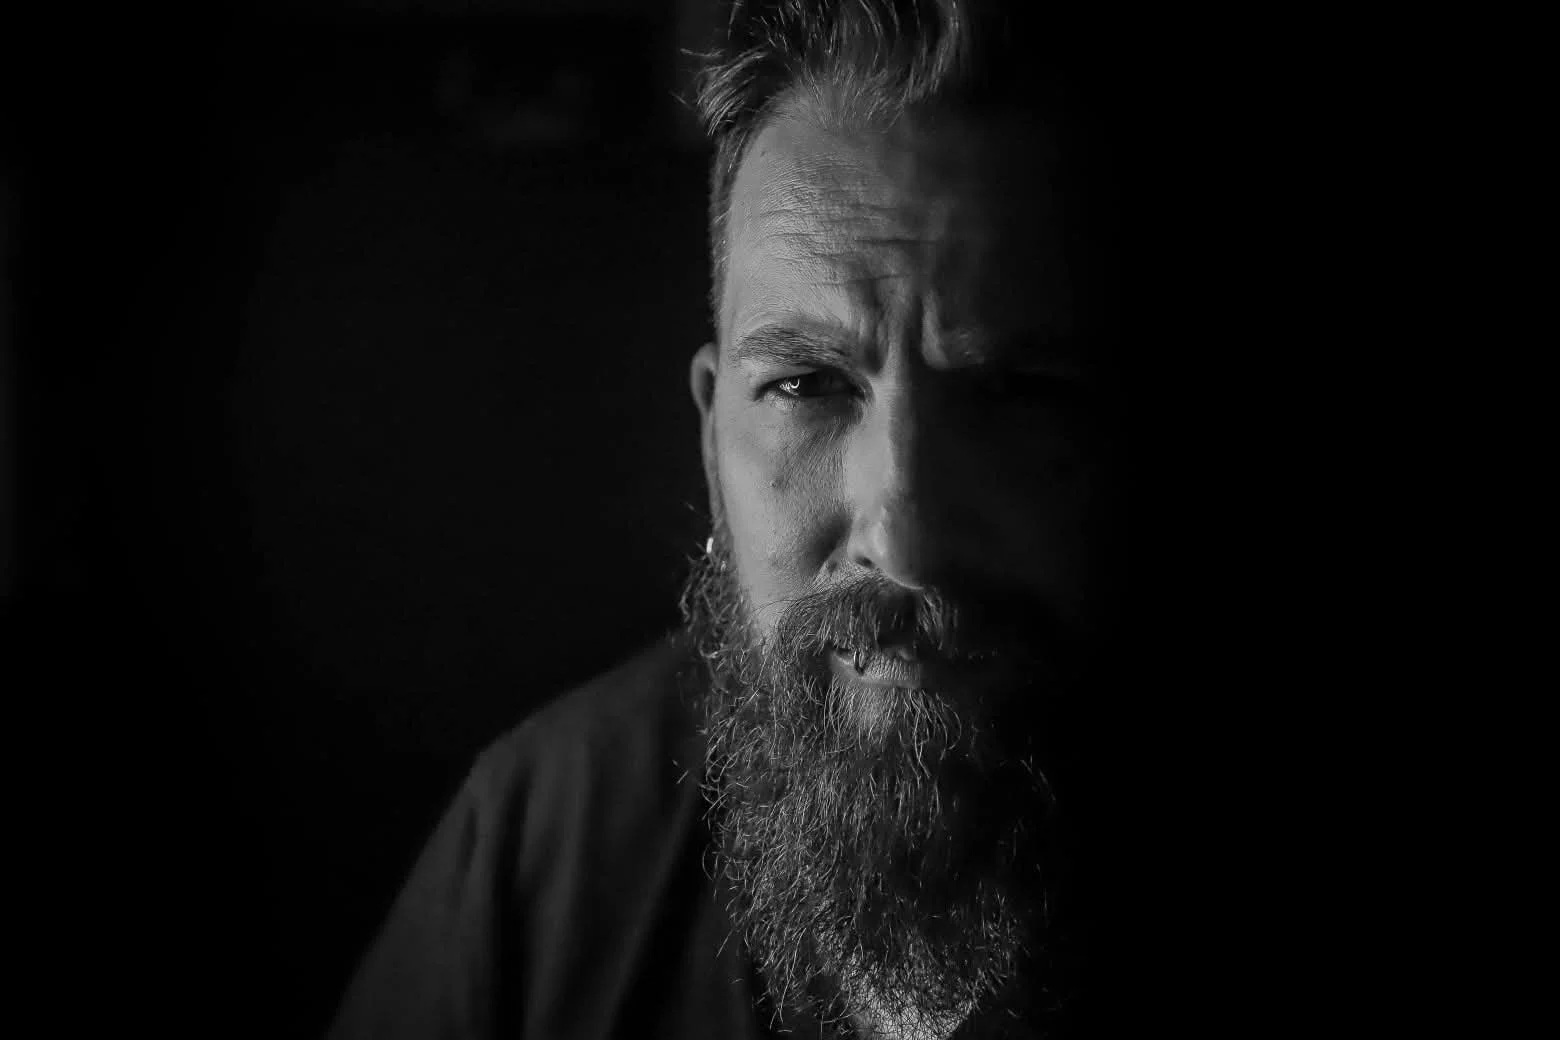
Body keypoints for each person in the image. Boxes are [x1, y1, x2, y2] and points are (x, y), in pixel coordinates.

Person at [327, 2, 1132, 1037]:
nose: (905, 540)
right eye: (806, 385)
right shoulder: (548, 845)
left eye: (1017, 393)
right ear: (714, 445)